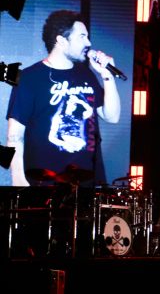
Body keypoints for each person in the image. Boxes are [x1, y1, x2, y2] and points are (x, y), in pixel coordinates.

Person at [6, 10, 121, 186]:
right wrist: (18, 178)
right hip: (45, 182)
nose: (88, 43)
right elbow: (15, 135)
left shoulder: (86, 74)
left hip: (86, 181)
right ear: (61, 41)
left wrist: (107, 77)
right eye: (82, 36)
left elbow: (112, 117)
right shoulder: (29, 78)